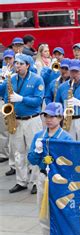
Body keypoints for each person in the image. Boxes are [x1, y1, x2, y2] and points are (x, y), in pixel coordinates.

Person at [28, 102, 73, 235]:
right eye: (46, 116)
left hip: (59, 181)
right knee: (44, 217)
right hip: (43, 178)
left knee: (60, 217)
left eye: (52, 116)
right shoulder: (39, 136)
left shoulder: (65, 138)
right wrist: (37, 152)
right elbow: (31, 160)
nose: (48, 119)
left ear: (60, 118)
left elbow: (70, 162)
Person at [5, 54, 44, 194]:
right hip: (17, 120)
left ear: (27, 65)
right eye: (16, 63)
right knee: (18, 152)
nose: (17, 66)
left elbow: (38, 101)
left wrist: (21, 98)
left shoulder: (37, 79)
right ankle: (21, 181)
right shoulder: (12, 79)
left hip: (32, 120)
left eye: (20, 63)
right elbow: (6, 96)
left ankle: (35, 181)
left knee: (33, 151)